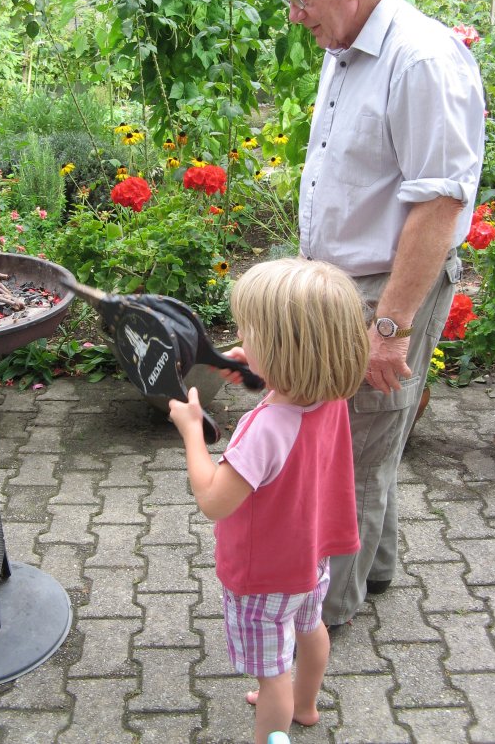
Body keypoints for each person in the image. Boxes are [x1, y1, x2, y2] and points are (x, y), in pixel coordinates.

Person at [269, 0, 485, 627]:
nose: (294, 13)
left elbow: (436, 208)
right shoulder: (347, 44)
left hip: (383, 293)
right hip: (342, 289)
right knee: (366, 438)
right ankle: (377, 568)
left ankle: (319, 618)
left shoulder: (420, 59)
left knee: (350, 457)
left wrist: (389, 327)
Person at [168, 258, 370, 744]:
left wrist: (193, 432)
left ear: (284, 352)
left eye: (249, 334)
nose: (241, 338)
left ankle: (276, 720)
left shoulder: (262, 432)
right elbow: (293, 423)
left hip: (264, 575)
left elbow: (214, 500)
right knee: (311, 628)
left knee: (272, 672)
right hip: (310, 558)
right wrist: (258, 371)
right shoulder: (327, 395)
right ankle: (306, 706)